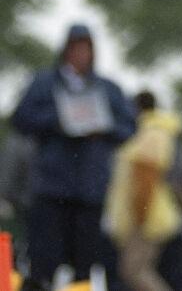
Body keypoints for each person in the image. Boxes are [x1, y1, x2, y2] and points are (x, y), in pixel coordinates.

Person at [9, 23, 135, 291]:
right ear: (66, 50)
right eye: (75, 48)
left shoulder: (108, 89)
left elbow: (129, 128)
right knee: (42, 260)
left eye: (86, 48)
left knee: (85, 264)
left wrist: (103, 127)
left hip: (89, 190)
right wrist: (61, 120)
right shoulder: (44, 83)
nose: (81, 54)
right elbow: (20, 119)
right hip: (51, 188)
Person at [104, 92, 182, 291]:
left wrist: (140, 217)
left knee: (135, 271)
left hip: (147, 216)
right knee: (135, 271)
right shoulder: (149, 132)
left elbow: (145, 178)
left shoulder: (151, 134)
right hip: (145, 215)